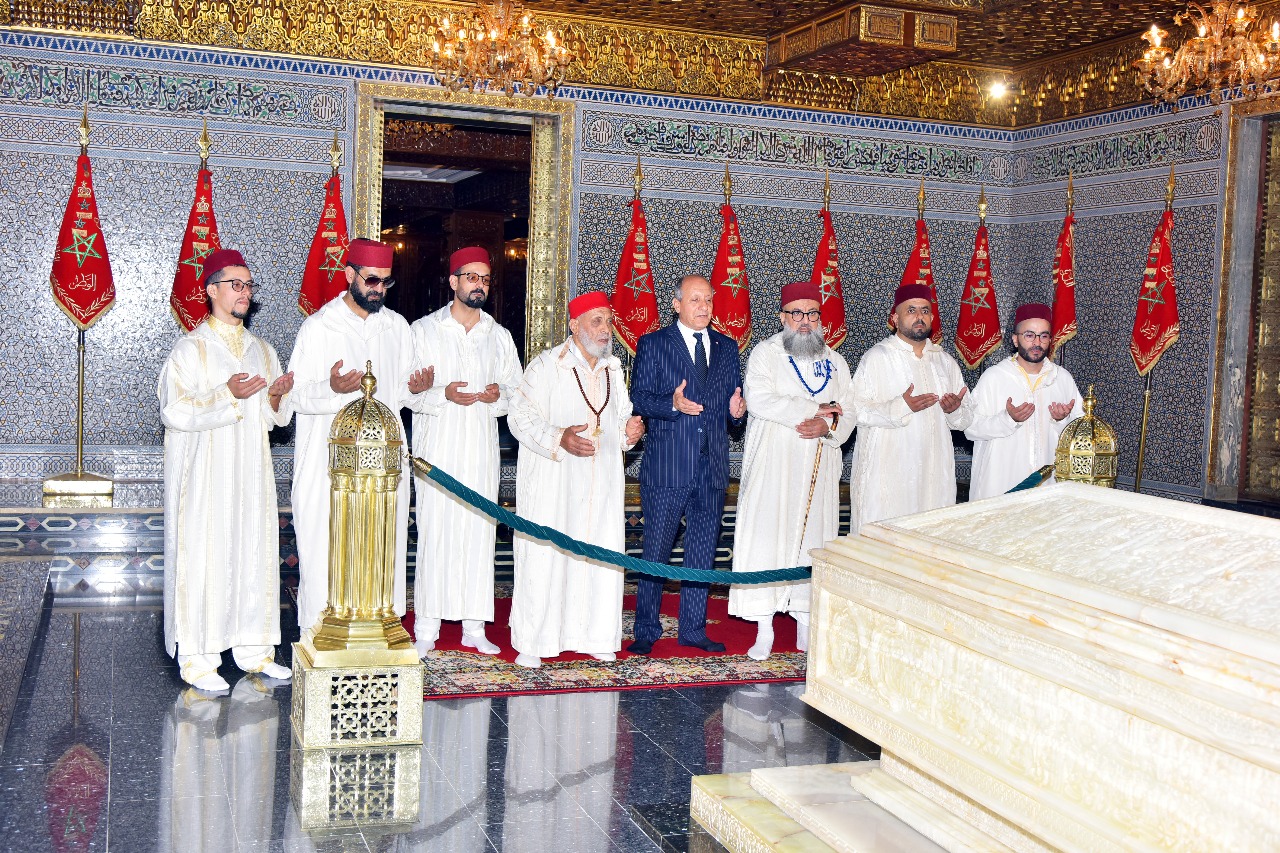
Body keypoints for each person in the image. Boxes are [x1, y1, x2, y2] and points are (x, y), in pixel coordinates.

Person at [159, 248, 294, 691]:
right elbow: (174, 410)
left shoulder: (263, 351)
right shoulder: (190, 349)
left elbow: (274, 418)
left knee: (253, 553)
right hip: (206, 475)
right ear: (211, 290)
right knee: (206, 556)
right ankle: (199, 660)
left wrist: (276, 396)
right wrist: (226, 394)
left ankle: (255, 651)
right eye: (236, 284)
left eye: (249, 286)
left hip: (251, 472)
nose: (245, 293)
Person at [286, 238, 434, 635]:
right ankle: (318, 638)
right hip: (328, 466)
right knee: (327, 548)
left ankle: (380, 635)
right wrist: (331, 389)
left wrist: (416, 390)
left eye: (386, 282)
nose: (379, 289)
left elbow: (400, 394)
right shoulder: (319, 327)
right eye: (371, 280)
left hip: (382, 467)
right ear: (349, 274)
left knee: (381, 547)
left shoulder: (397, 327)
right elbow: (294, 396)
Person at [506, 292, 645, 668]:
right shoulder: (546, 366)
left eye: (608, 321)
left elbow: (620, 419)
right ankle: (534, 641)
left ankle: (595, 636)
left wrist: (630, 432)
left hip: (601, 484)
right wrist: (559, 437)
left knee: (598, 555)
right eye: (596, 321)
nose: (605, 329)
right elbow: (518, 417)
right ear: (574, 325)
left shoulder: (613, 369)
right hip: (556, 482)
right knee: (547, 556)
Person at [728, 281, 856, 661]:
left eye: (812, 313)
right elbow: (761, 400)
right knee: (768, 541)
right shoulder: (765, 354)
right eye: (796, 313)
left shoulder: (836, 362)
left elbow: (849, 411)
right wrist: (814, 409)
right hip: (775, 467)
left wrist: (827, 426)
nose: (804, 321)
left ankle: (806, 623)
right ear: (782, 317)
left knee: (814, 540)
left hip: (819, 463)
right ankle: (764, 627)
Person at [409, 246, 522, 657]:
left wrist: (497, 396)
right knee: (436, 533)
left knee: (479, 532)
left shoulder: (499, 335)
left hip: (480, 450)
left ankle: (475, 627)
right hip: (437, 448)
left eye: (485, 279)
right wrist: (443, 393)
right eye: (471, 277)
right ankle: (427, 627)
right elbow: (406, 392)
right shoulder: (422, 330)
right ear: (453, 281)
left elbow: (516, 392)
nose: (480, 285)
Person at [627, 274, 747, 655]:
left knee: (702, 550)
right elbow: (639, 398)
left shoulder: (727, 348)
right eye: (695, 300)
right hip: (668, 466)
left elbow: (733, 407)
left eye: (708, 300)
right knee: (656, 550)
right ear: (677, 304)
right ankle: (646, 628)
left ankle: (693, 628)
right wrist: (671, 404)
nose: (703, 307)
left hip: (711, 468)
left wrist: (737, 413)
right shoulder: (653, 344)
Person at [849, 283, 975, 535]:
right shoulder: (877, 357)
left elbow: (966, 418)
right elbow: (855, 410)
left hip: (933, 471)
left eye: (925, 311)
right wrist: (900, 407)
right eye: (911, 310)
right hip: (888, 472)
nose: (919, 316)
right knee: (884, 541)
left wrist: (954, 411)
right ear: (895, 318)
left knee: (931, 536)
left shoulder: (944, 361)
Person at [965, 303, 1081, 500]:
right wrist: (1007, 419)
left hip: (1048, 486)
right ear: (1015, 339)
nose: (1037, 342)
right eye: (1029, 335)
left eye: (1044, 336)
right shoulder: (994, 377)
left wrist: (1062, 420)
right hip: (1001, 482)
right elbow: (970, 428)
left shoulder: (1062, 379)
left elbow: (1081, 438)